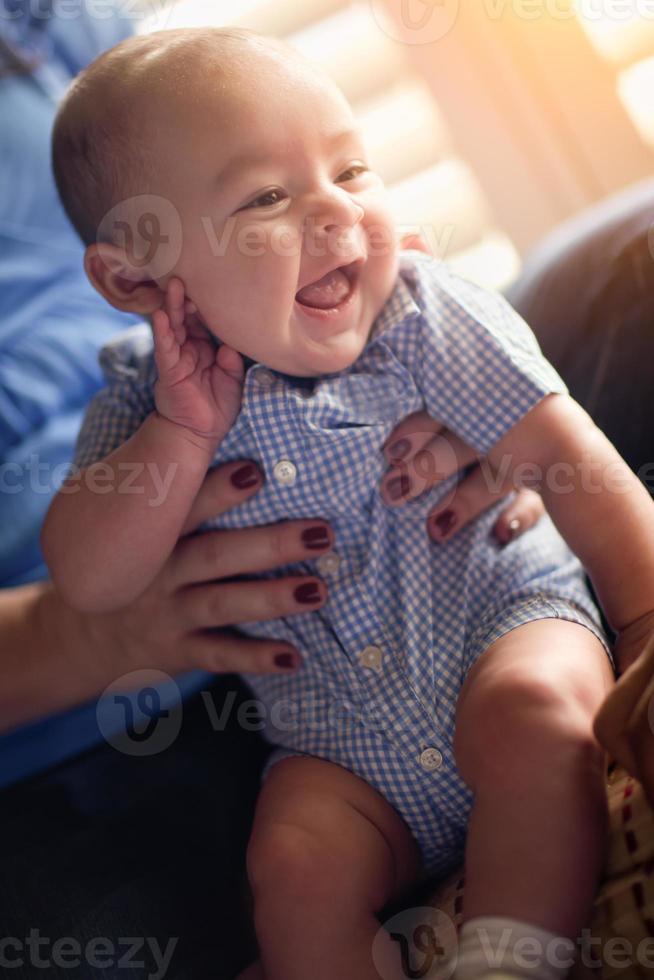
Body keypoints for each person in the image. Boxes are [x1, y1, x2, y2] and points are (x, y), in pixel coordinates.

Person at [40, 27, 654, 980]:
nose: (337, 211)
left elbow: (566, 449)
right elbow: (89, 579)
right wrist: (182, 434)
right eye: (268, 198)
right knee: (291, 864)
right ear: (138, 279)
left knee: (540, 714)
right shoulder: (143, 400)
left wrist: (647, 617)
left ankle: (504, 958)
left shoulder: (419, 311)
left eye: (352, 169)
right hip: (335, 744)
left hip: (503, 627)